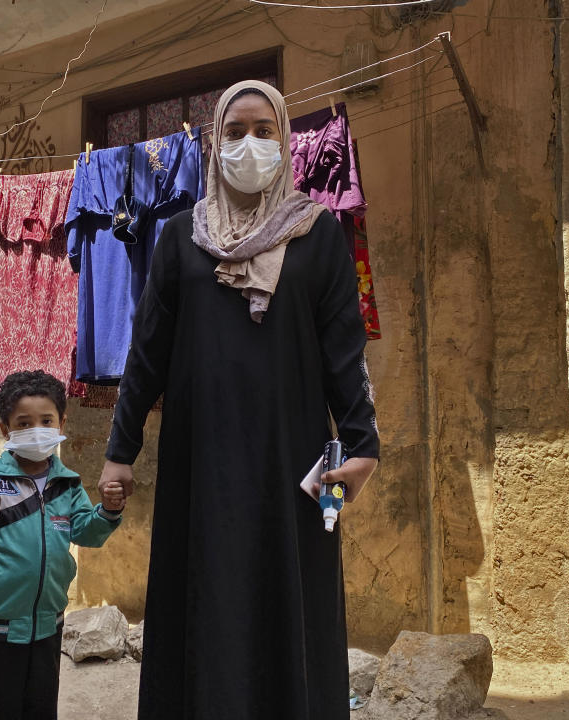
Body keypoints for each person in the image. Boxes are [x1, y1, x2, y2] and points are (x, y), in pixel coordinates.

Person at [98, 80, 380, 719]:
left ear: (284, 139)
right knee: (205, 594)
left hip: (297, 460)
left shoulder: (320, 235)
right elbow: (147, 355)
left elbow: (345, 354)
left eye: (263, 131)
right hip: (202, 462)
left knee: (294, 595)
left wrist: (363, 446)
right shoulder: (179, 238)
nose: (248, 144)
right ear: (213, 142)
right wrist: (120, 452)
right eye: (234, 132)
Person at [0, 370, 126, 720]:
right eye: (23, 423)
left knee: (41, 706)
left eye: (46, 420)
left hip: (49, 624)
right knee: (0, 706)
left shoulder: (68, 485)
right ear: (5, 430)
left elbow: (86, 532)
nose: (36, 430)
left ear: (61, 424)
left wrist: (109, 510)